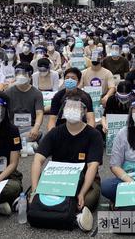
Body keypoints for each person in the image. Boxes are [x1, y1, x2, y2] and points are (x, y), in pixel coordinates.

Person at [31, 94, 103, 232]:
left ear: (83, 111)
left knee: (87, 200)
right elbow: (37, 160)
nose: (72, 109)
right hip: (56, 179)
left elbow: (92, 166)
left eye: (76, 107)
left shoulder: (93, 135)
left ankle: (71, 213)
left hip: (85, 180)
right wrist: (34, 190)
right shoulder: (55, 133)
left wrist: (82, 193)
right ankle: (72, 216)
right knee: (40, 197)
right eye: (69, 106)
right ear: (63, 110)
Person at [5, 63, 44, 142]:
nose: (21, 76)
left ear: (30, 76)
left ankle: (17, 143)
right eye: (18, 74)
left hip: (29, 128)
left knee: (42, 136)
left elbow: (39, 113)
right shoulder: (8, 92)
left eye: (24, 74)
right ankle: (19, 143)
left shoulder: (37, 93)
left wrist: (36, 128)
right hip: (13, 128)